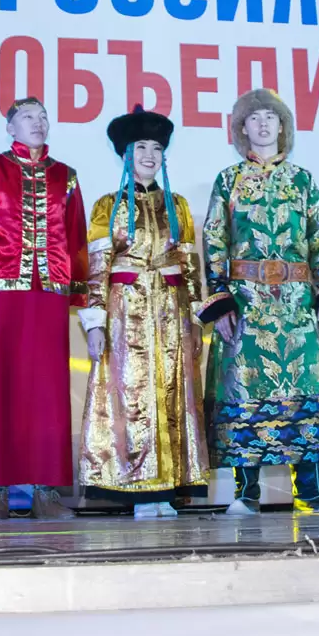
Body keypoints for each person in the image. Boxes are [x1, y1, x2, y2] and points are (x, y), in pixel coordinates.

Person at [200, 89, 319, 515]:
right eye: (255, 118)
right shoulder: (228, 181)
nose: (264, 124)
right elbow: (214, 241)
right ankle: (246, 493)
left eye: (271, 116)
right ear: (242, 128)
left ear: (283, 126)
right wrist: (221, 301)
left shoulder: (303, 180)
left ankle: (310, 493)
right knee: (243, 392)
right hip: (247, 304)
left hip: (297, 306)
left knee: (305, 391)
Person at [0, 97, 87, 519]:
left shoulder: (66, 176)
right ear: (10, 127)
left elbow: (76, 239)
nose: (38, 122)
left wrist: (79, 295)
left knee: (47, 392)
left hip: (48, 296)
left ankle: (45, 493)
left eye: (44, 116)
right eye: (28, 117)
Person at [78, 106, 207, 518]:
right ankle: (139, 489)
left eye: (156, 148)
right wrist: (95, 321)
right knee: (132, 396)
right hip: (125, 312)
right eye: (140, 147)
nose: (149, 155)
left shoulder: (178, 205)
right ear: (125, 154)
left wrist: (196, 317)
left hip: (171, 310)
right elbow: (97, 266)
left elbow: (189, 265)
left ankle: (169, 489)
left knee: (172, 394)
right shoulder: (107, 206)